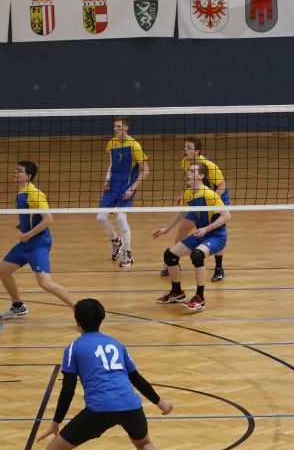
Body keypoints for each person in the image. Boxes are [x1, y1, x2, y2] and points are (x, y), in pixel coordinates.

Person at [37, 298, 172, 450]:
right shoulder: (116, 344)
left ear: (77, 321)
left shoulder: (74, 347)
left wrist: (56, 422)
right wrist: (159, 401)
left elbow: (68, 388)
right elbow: (135, 378)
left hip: (99, 409)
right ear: (101, 319)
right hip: (131, 405)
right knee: (144, 443)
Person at [0, 161, 76, 319]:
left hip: (38, 244)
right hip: (26, 244)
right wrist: (24, 224)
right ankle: (18, 306)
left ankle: (78, 309)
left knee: (45, 283)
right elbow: (33, 215)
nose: (15, 173)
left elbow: (48, 220)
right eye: (16, 170)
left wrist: (28, 234)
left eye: (19, 171)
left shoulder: (35, 194)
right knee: (3, 271)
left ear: (28, 176)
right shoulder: (21, 193)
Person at [151, 163, 231, 312]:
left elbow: (226, 216)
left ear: (201, 176)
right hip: (201, 235)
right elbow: (182, 212)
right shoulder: (188, 193)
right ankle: (177, 293)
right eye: (188, 171)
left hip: (216, 236)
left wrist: (206, 229)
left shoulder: (210, 195)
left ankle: (200, 298)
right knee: (170, 255)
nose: (188, 173)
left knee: (197, 255)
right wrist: (167, 229)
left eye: (192, 171)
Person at [160, 137, 230, 281]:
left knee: (216, 231)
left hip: (216, 198)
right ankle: (173, 259)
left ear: (197, 151)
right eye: (185, 147)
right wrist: (184, 195)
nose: (185, 150)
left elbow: (222, 186)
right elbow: (192, 182)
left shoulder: (209, 166)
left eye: (189, 148)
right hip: (199, 198)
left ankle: (219, 268)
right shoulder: (185, 163)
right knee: (183, 228)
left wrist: (209, 204)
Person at [97, 117, 149, 266]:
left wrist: (132, 188)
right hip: (112, 186)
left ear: (126, 128)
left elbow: (146, 170)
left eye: (119, 126)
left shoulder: (134, 145)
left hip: (126, 187)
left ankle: (127, 254)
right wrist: (107, 179)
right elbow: (111, 164)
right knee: (100, 217)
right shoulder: (111, 143)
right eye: (114, 126)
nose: (116, 129)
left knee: (121, 218)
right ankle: (116, 240)